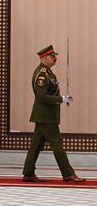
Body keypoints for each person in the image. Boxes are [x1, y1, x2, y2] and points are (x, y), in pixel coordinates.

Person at [22, 45, 85, 182]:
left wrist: (61, 98)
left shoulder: (48, 72)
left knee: (36, 145)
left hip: (46, 115)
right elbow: (42, 97)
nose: (55, 58)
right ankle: (68, 173)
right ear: (44, 58)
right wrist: (61, 99)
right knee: (57, 144)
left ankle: (28, 173)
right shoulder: (42, 74)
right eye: (52, 56)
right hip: (46, 116)